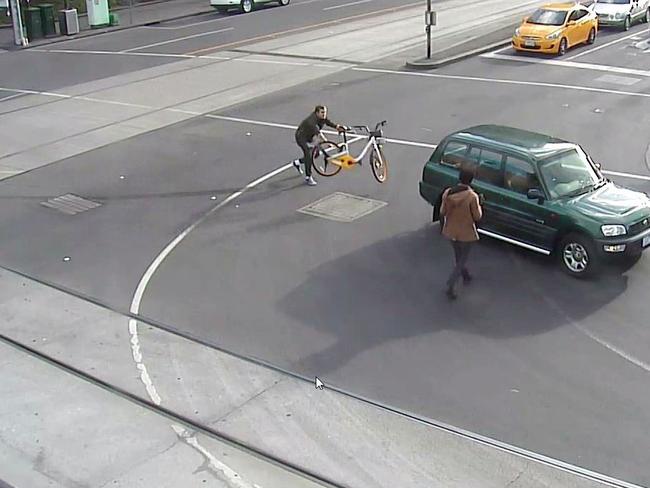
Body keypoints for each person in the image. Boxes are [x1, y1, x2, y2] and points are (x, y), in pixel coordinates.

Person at [440, 167, 483, 300]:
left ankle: (465, 275)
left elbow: (442, 211)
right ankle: (451, 284)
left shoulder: (448, 193)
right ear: (471, 180)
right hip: (466, 233)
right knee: (462, 258)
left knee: (458, 256)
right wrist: (480, 204)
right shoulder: (472, 197)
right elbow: (477, 216)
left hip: (451, 230)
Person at [293, 105, 345, 186]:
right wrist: (328, 143)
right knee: (309, 155)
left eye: (325, 112)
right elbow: (319, 135)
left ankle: (297, 163)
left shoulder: (322, 117)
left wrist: (337, 127)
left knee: (316, 153)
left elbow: (327, 121)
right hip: (301, 138)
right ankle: (308, 177)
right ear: (317, 113)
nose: (324, 114)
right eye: (322, 113)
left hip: (310, 136)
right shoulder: (311, 122)